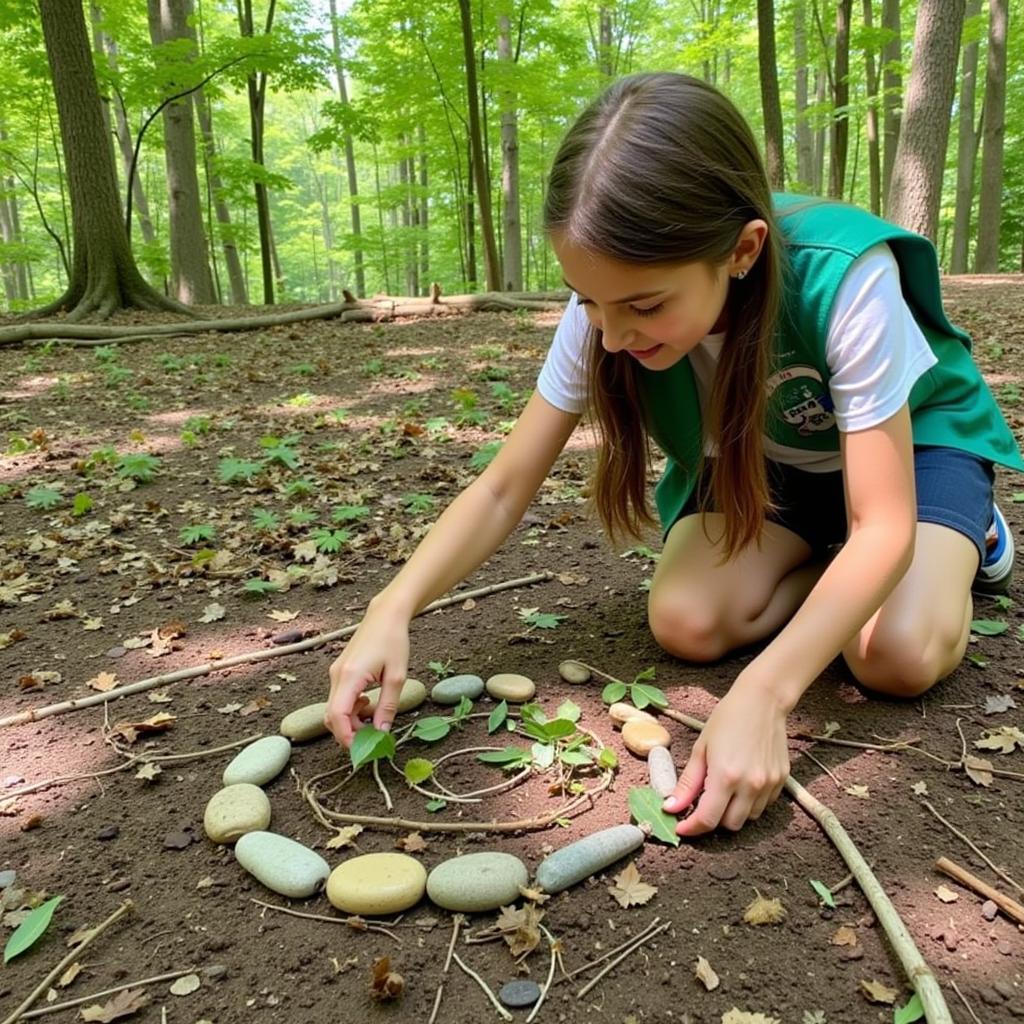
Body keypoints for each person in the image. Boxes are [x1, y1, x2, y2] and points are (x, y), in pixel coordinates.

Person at [325, 71, 1023, 838]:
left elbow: (884, 521)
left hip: (911, 459)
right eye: (588, 300)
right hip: (767, 467)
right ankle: (846, 573)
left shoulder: (844, 274)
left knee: (894, 655)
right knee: (686, 621)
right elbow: (501, 490)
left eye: (645, 306)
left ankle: (969, 535)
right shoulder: (603, 305)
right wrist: (390, 607)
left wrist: (763, 693)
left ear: (742, 250)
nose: (612, 333)